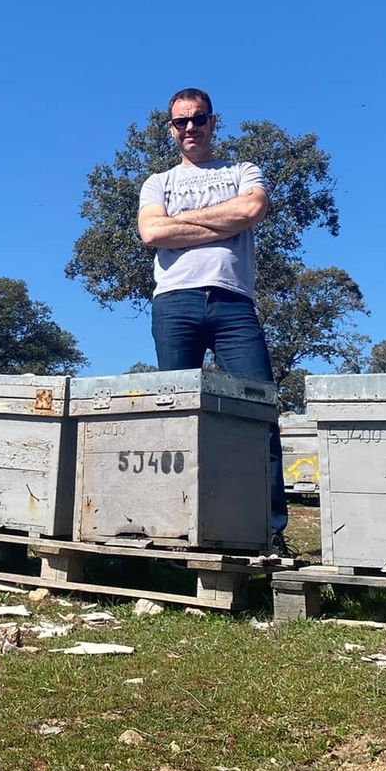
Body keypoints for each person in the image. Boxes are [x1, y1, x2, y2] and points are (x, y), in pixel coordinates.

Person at [137, 87, 291, 557]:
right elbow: (152, 231)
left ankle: (270, 531)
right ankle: (173, 529)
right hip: (174, 304)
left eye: (198, 119)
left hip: (233, 304)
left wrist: (184, 223)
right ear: (170, 129)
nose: (190, 128)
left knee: (259, 413)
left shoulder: (242, 171)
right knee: (173, 419)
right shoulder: (157, 182)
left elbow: (251, 209)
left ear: (213, 122)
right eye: (180, 121)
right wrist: (222, 222)